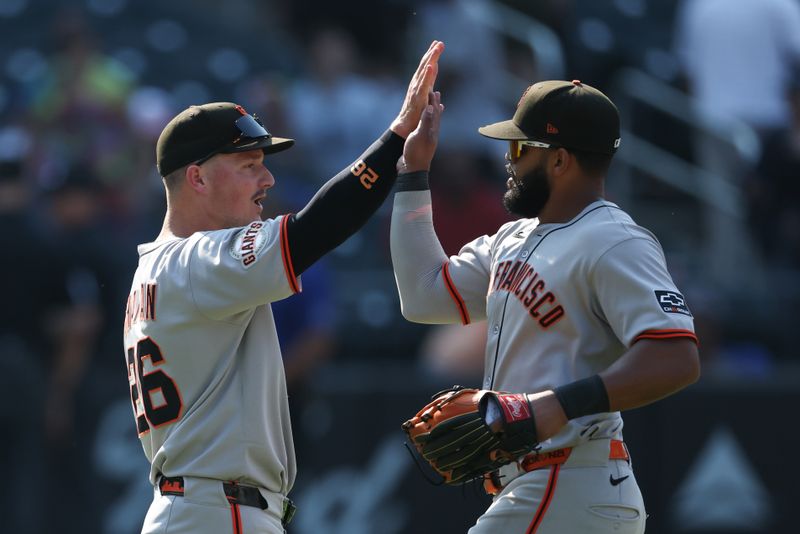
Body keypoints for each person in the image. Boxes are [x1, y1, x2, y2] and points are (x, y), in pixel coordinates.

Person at [123, 41, 444, 534]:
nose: (268, 178)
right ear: (197, 179)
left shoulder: (155, 268)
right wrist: (397, 135)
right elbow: (317, 227)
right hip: (218, 510)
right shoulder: (199, 260)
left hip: (197, 506)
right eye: (249, 165)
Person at [391, 80, 700, 533]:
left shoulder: (615, 240)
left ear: (559, 159)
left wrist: (559, 404)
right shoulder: (513, 239)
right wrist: (413, 173)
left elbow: (677, 356)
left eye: (519, 148)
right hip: (548, 487)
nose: (507, 159)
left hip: (571, 477)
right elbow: (423, 294)